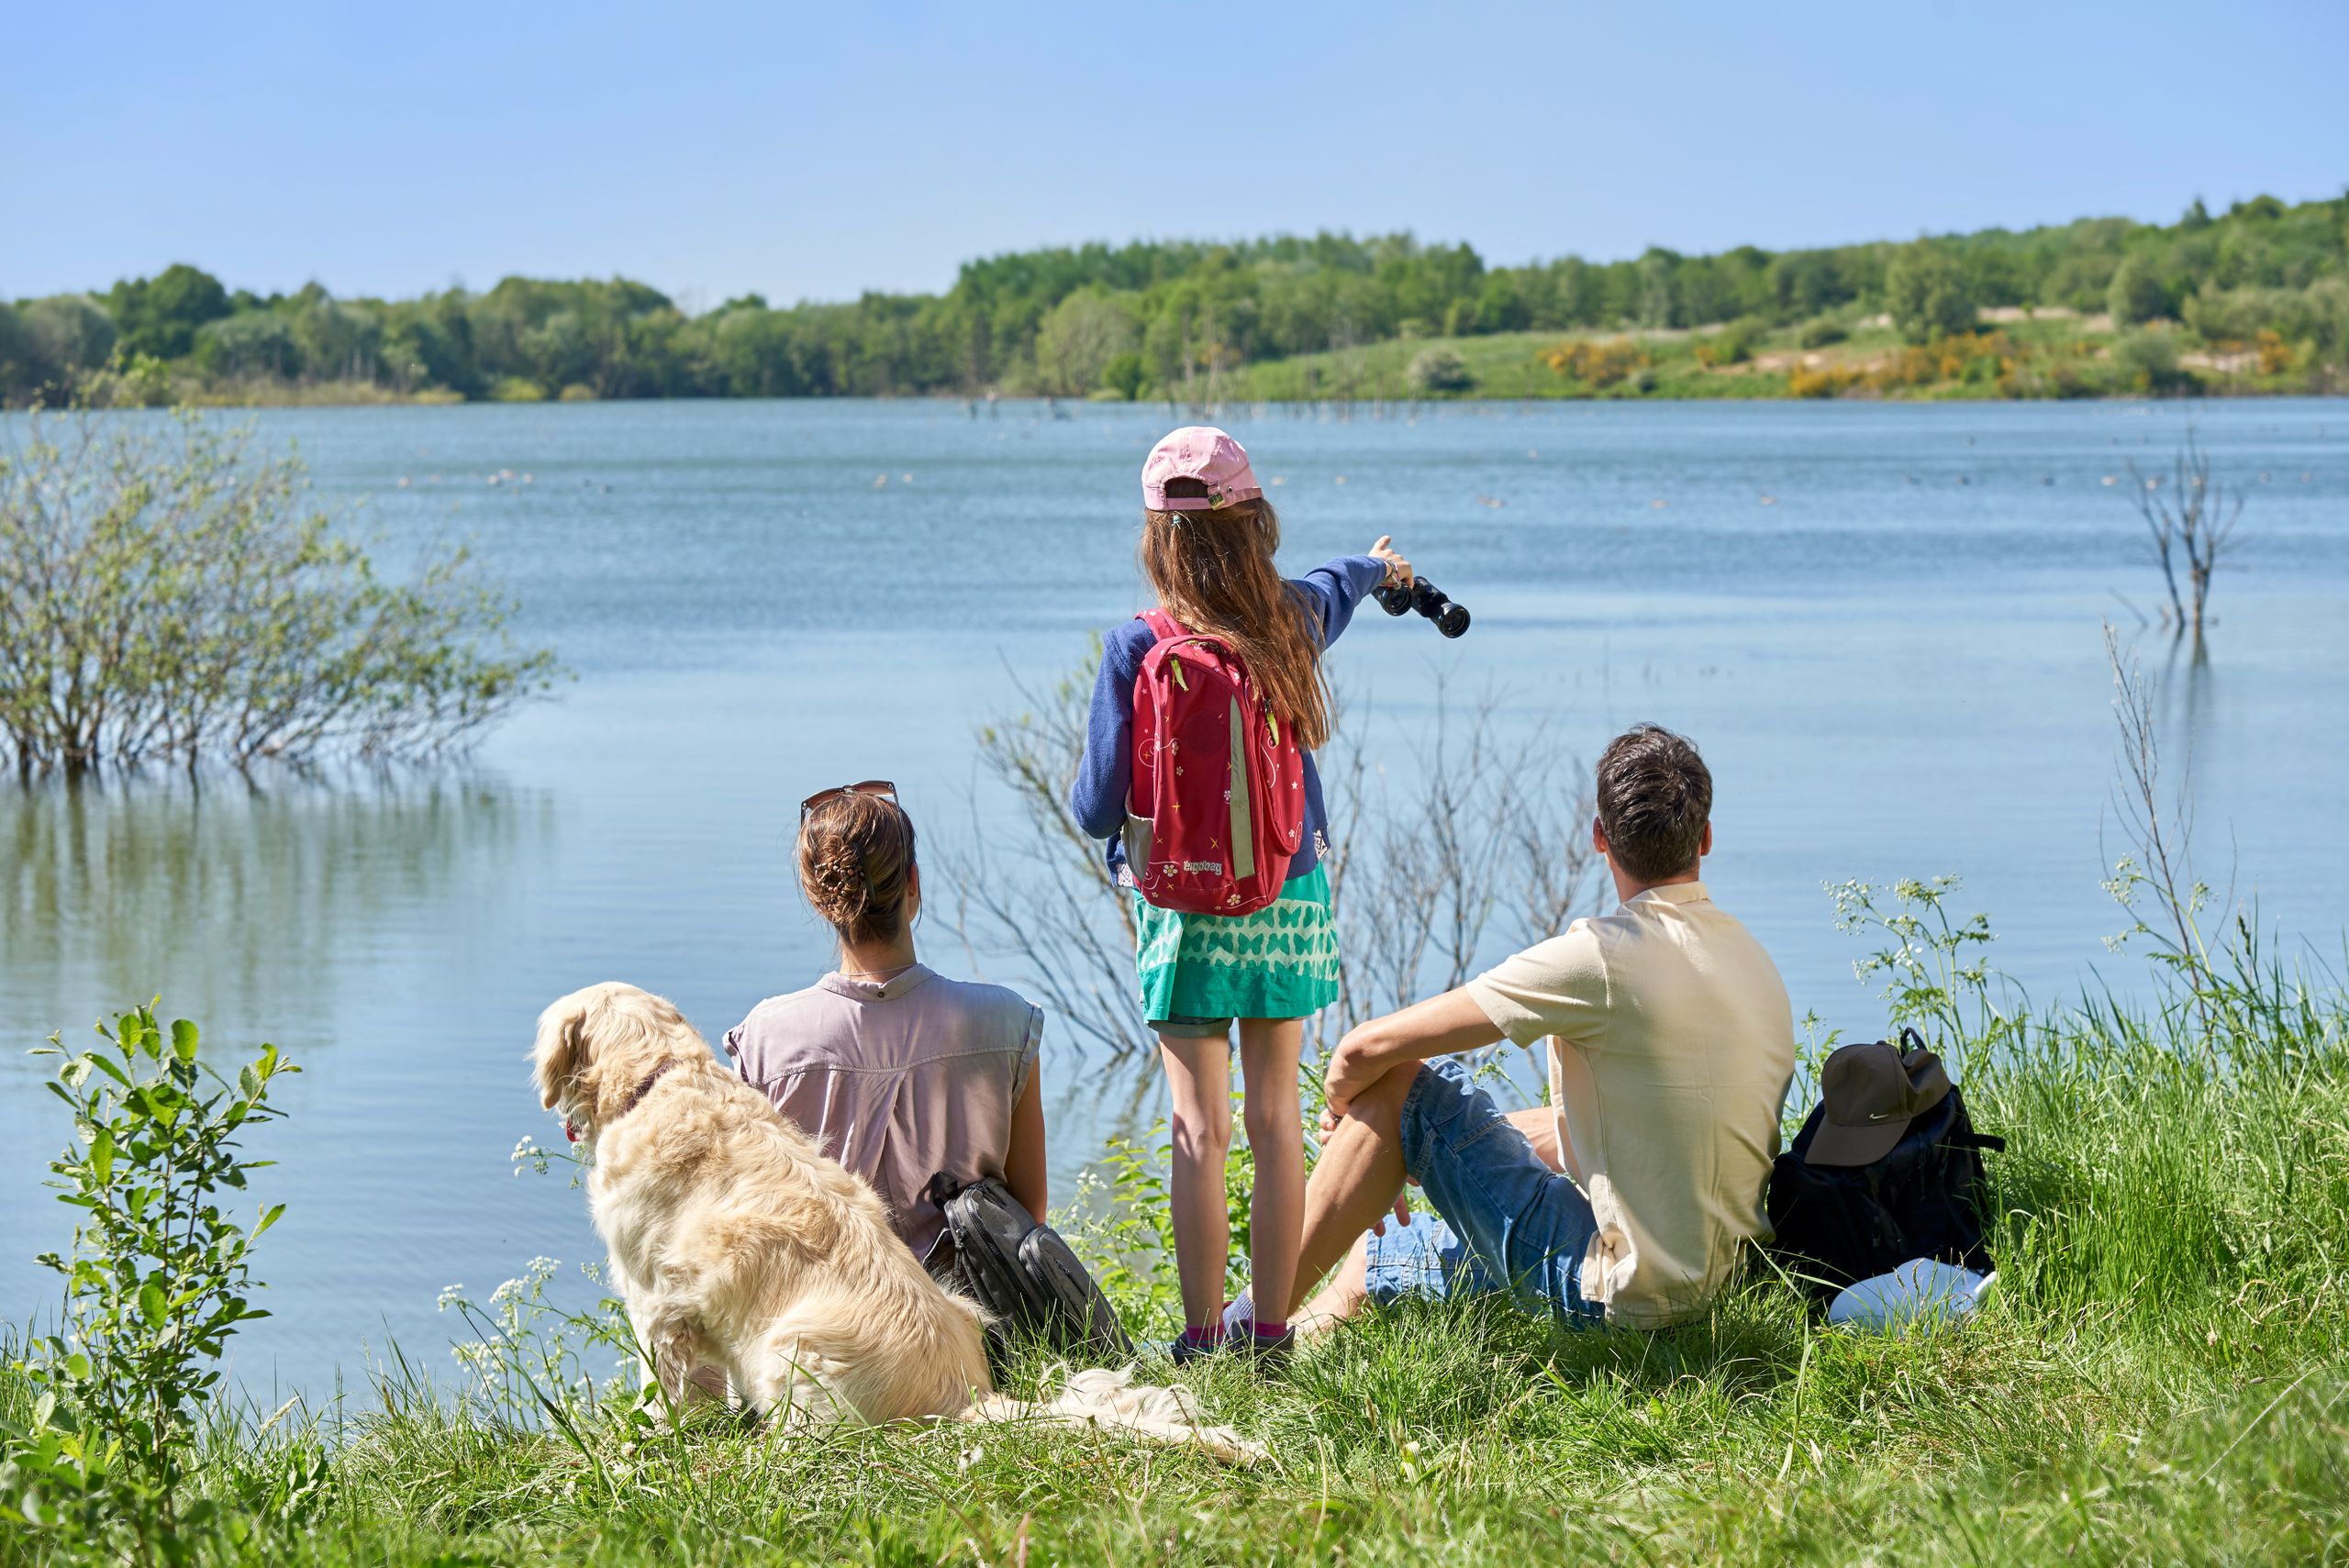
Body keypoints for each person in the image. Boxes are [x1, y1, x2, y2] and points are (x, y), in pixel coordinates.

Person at [1258, 725, 1796, 1335]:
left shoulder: (1601, 957)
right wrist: (1406, 1153)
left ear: (1599, 835)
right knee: (1379, 1257)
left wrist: (1346, 1116)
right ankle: (1279, 1356)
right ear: (1705, 836)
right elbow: (1603, 1133)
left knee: (1405, 1086)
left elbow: (1364, 1049)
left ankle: (1243, 1329)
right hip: (1725, 1290)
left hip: (1621, 1299)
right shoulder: (1752, 960)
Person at [1068, 425, 1411, 1363]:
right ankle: (1266, 1333)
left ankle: (1195, 1339)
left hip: (1179, 909)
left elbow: (1096, 806)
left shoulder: (1135, 645)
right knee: (1273, 1120)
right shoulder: (1291, 620)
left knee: (1199, 1127)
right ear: (1256, 520)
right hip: (1286, 896)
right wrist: (1380, 569)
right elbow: (1342, 581)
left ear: (1155, 536)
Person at [726, 782, 1048, 1260]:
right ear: (913, 882)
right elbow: (1030, 1218)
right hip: (972, 1326)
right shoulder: (1006, 1023)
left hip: (823, 1325)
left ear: (820, 900)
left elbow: (749, 1218)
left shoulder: (765, 1040)